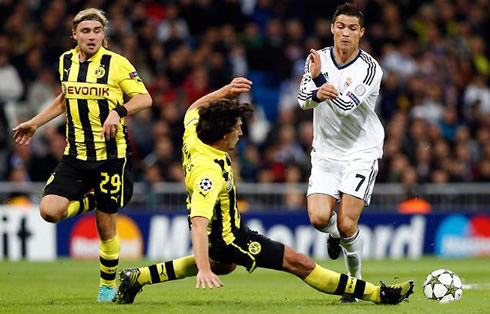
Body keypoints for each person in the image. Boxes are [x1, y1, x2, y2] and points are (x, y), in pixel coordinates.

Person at [112, 77, 413, 305]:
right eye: (237, 128)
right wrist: (203, 269)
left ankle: (137, 278)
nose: (241, 132)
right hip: (230, 238)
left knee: (225, 266)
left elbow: (193, 108)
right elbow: (198, 224)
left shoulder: (194, 134)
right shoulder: (209, 174)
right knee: (300, 263)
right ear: (222, 134)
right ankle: (377, 294)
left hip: (227, 233)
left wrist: (225, 92)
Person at [12, 8, 152, 301]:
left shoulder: (117, 64)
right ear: (74, 34)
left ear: (104, 35)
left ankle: (106, 287)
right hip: (75, 153)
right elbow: (65, 99)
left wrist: (118, 111)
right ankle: (93, 199)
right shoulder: (66, 61)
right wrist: (35, 124)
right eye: (85, 31)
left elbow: (144, 97)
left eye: (97, 31)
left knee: (105, 225)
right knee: (49, 211)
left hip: (111, 155)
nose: (91, 36)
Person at [297, 3, 384, 303]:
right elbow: (302, 101)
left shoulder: (371, 69)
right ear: (332, 28)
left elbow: (347, 107)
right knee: (320, 219)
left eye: (352, 28)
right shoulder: (316, 58)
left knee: (348, 224)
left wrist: (322, 84)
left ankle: (355, 284)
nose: (345, 33)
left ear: (362, 32)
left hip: (361, 151)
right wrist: (315, 92)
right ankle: (334, 237)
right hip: (325, 153)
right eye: (340, 26)